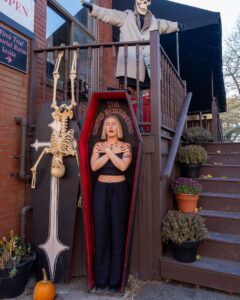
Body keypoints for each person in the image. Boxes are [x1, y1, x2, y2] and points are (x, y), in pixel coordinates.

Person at [81, 0, 182, 85]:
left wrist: (177, 25)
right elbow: (109, 14)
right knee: (131, 87)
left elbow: (167, 25)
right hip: (129, 66)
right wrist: (93, 7)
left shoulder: (155, 22)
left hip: (148, 67)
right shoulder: (126, 16)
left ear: (149, 2)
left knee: (145, 90)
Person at [90, 115, 132, 292]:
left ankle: (115, 281)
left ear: (119, 128)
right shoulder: (97, 145)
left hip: (119, 191)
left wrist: (107, 152)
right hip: (100, 190)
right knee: (101, 232)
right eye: (107, 124)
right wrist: (110, 153)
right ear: (104, 129)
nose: (110, 126)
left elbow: (123, 166)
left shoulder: (126, 146)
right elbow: (94, 166)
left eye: (114, 123)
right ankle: (101, 280)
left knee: (117, 233)